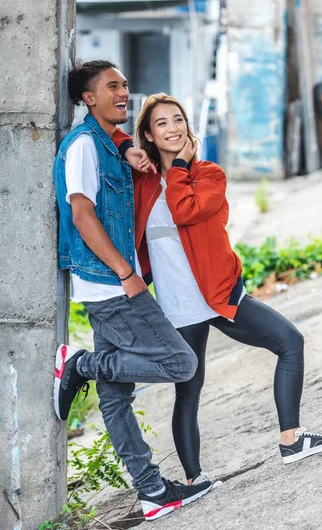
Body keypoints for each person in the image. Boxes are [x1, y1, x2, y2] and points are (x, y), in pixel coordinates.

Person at [112, 93, 322, 485]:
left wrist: (182, 165)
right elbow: (110, 142)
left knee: (290, 342)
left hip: (219, 295)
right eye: (162, 123)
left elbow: (186, 209)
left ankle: (291, 438)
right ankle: (194, 480)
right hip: (178, 305)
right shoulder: (143, 184)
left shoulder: (210, 175)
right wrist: (126, 147)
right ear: (148, 135)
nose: (173, 128)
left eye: (178, 119)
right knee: (189, 390)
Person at [53, 61, 213, 522]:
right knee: (180, 362)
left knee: (116, 395)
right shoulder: (83, 146)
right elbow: (82, 214)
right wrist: (126, 272)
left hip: (107, 283)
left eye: (124, 85)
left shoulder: (109, 143)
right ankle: (79, 363)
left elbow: (125, 152)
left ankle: (150, 492)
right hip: (110, 284)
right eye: (112, 87)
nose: (123, 92)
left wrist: (127, 147)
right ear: (88, 98)